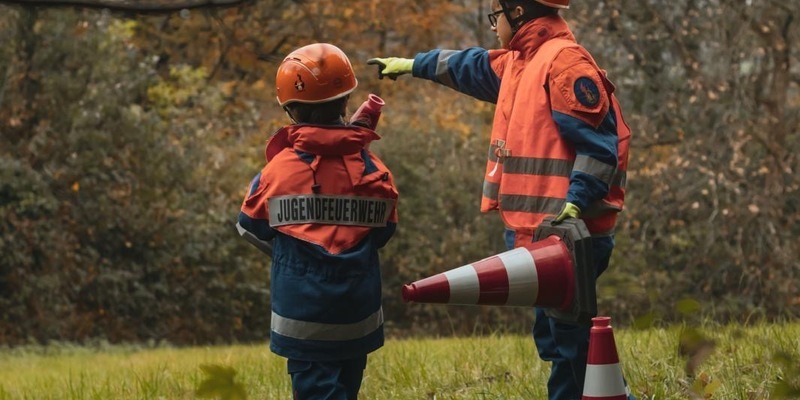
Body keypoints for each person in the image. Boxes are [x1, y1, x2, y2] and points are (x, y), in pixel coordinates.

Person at [367, 1, 632, 399]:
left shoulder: (563, 63)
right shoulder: (520, 63)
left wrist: (576, 202)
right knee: (555, 338)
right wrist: (412, 64)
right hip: (537, 236)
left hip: (569, 236)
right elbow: (469, 67)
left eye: (497, 17)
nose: (494, 27)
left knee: (571, 341)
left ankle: (611, 395)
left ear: (520, 12)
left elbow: (598, 149)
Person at [237, 42, 399, 400]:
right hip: (358, 315)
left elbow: (248, 227)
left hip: (303, 318)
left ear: (290, 110)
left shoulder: (277, 171)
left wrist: (296, 246)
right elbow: (385, 232)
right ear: (345, 102)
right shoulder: (374, 171)